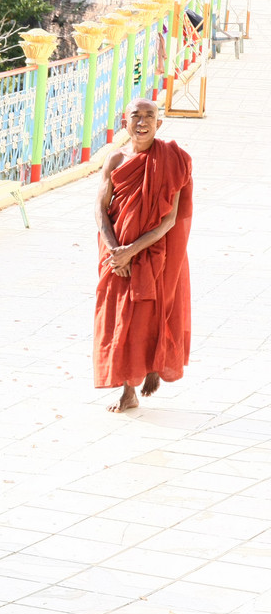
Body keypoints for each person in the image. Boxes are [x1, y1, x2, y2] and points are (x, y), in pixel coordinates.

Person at [94, 98, 193, 412]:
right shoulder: (115, 161)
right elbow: (100, 208)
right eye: (135, 115)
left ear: (158, 124)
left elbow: (169, 220)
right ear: (125, 122)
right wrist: (114, 251)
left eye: (149, 116)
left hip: (151, 253)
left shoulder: (173, 161)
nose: (142, 122)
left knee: (145, 319)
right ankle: (128, 386)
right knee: (117, 318)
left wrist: (130, 253)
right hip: (116, 254)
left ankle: (142, 377)